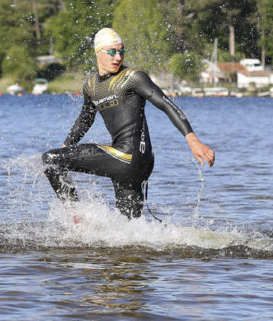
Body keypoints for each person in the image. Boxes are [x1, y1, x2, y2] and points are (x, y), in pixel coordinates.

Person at [42, 27, 215, 219]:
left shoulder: (133, 78)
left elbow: (166, 104)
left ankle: (77, 219)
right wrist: (65, 150)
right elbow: (85, 120)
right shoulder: (91, 85)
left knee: (51, 158)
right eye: (112, 52)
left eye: (121, 51)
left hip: (128, 156)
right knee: (129, 230)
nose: (118, 57)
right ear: (98, 52)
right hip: (136, 163)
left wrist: (193, 140)